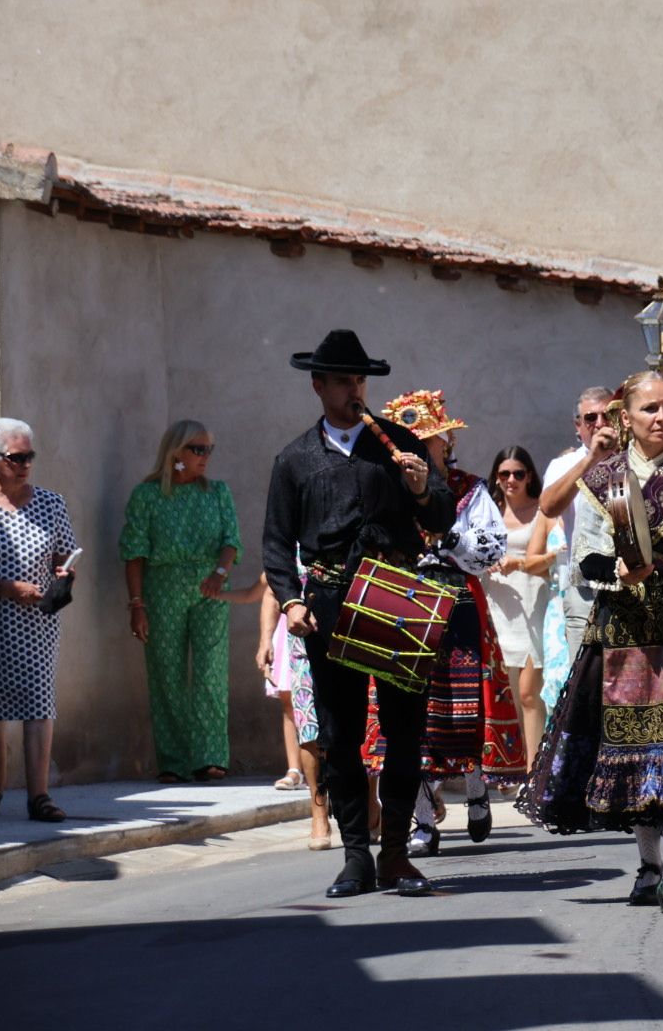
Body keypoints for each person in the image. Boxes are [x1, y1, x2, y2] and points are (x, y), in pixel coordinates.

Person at [518, 371, 663, 914]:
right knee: (632, 751)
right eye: (650, 409)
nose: (661, 418)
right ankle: (649, 866)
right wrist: (618, 571)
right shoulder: (603, 479)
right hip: (623, 632)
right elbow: (584, 558)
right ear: (627, 417)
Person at [261, 330, 455, 899]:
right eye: (343, 380)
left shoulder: (398, 444)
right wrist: (291, 601)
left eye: (360, 380)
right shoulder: (295, 459)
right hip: (327, 604)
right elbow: (276, 543)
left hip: (395, 599)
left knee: (403, 729)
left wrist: (422, 491)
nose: (354, 390)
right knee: (340, 735)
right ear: (318, 385)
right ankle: (355, 856)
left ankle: (396, 853)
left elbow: (441, 518)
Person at [363, 389, 521, 856]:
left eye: (426, 440)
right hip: (403, 607)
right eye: (406, 440)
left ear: (445, 443)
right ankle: (423, 822)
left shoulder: (467, 487)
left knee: (463, 705)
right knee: (405, 715)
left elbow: (490, 548)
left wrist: (445, 535)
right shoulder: (383, 486)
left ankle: (475, 789)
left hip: (455, 605)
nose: (415, 448)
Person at [0, 418, 78, 822]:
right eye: (16, 457)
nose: (25, 464)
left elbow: (64, 555)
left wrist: (64, 574)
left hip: (35, 623)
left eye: (29, 456)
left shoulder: (51, 504)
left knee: (38, 705)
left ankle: (39, 796)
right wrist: (7, 589)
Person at [119, 420, 242, 784]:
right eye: (198, 449)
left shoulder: (217, 492)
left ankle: (210, 758)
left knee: (210, 673)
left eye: (209, 449)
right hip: (163, 588)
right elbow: (134, 552)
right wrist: (137, 605)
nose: (206, 456)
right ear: (176, 453)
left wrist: (219, 573)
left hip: (211, 589)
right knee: (166, 674)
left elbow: (231, 539)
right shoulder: (148, 496)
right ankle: (173, 759)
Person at [481, 445, 554, 775]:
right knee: (505, 694)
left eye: (519, 474)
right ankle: (510, 765)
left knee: (528, 694)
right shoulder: (486, 511)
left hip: (533, 605)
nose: (511, 480)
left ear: (530, 476)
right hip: (496, 608)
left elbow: (556, 555)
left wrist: (521, 564)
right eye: (504, 474)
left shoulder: (543, 511)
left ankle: (534, 770)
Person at [540, 386, 617, 656]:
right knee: (585, 684)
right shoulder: (564, 465)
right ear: (578, 426)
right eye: (590, 418)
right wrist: (593, 458)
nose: (600, 424)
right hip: (586, 590)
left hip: (633, 586)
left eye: (607, 416)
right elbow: (549, 507)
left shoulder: (635, 458)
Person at [257, 577, 333, 850]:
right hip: (301, 644)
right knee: (308, 727)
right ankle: (319, 813)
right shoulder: (289, 545)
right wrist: (266, 640)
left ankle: (369, 803)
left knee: (356, 725)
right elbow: (271, 592)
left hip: (347, 636)